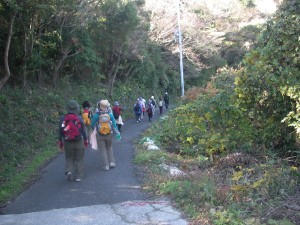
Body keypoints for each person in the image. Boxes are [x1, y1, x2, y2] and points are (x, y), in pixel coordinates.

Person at [58, 100, 88, 182]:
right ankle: (78, 176)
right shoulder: (79, 118)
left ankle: (69, 171)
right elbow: (83, 131)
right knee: (79, 158)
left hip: (67, 141)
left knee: (69, 157)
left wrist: (60, 141)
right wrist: (85, 140)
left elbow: (60, 131)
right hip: (79, 140)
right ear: (77, 108)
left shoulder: (63, 119)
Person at [91, 100, 121, 171]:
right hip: (109, 134)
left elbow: (92, 125)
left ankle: (106, 166)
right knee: (109, 148)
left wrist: (96, 129)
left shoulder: (96, 115)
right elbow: (114, 125)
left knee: (103, 150)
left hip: (100, 135)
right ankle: (112, 162)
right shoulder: (110, 115)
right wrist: (117, 133)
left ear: (99, 106)